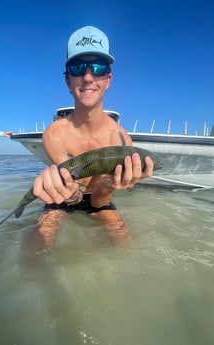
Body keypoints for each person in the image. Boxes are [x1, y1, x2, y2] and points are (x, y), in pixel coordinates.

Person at [33, 25, 154, 248]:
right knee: (34, 247)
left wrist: (109, 183)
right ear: (68, 80)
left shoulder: (121, 138)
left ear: (108, 79)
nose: (88, 77)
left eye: (97, 67)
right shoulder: (54, 135)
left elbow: (99, 201)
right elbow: (71, 195)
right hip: (63, 198)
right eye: (78, 67)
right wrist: (59, 192)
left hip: (100, 199)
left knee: (128, 247)